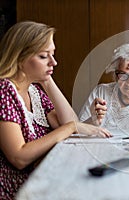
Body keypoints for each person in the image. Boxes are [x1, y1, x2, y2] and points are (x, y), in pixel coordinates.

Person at [0, 21, 112, 199]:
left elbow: (66, 123)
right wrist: (73, 127)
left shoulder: (33, 90)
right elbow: (19, 157)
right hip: (17, 191)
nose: (54, 62)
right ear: (20, 58)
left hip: (42, 179)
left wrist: (47, 80)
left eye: (52, 54)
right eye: (44, 56)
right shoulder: (4, 91)